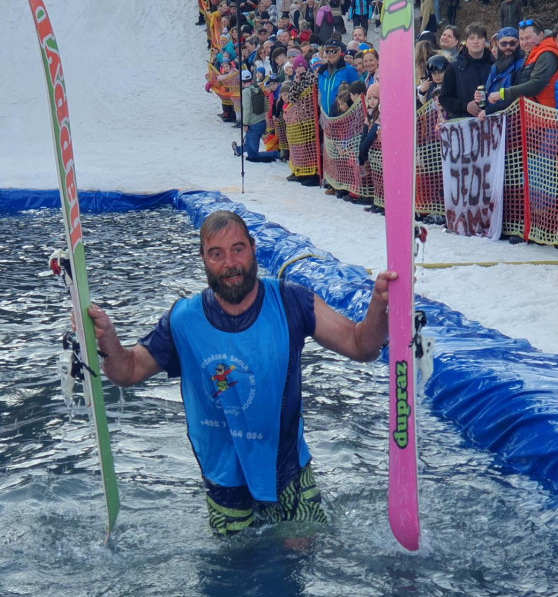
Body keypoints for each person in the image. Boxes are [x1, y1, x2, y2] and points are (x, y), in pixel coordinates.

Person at [87, 210, 396, 534]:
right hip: (224, 482)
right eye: (216, 254)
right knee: (235, 571)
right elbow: (128, 371)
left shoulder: (290, 301)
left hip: (287, 471)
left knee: (300, 559)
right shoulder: (184, 320)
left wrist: (379, 304)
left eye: (238, 249)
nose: (230, 263)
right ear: (203, 259)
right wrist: (106, 338)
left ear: (253, 247)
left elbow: (361, 346)